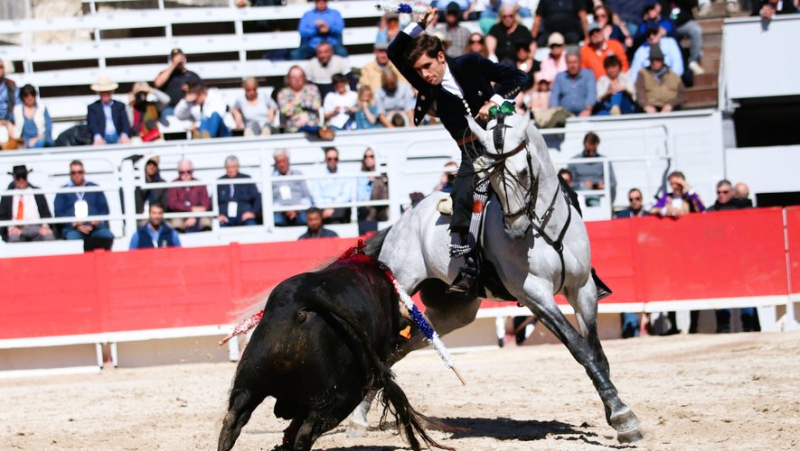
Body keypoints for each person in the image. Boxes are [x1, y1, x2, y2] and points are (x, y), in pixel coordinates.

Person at [388, 7, 527, 294]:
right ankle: (469, 268)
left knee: (546, 178)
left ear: (441, 57)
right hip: (473, 154)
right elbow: (394, 51)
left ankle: (579, 262)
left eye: (428, 67)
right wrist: (416, 24)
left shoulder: (470, 63)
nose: (424, 75)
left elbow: (517, 77)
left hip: (503, 142)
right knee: (463, 198)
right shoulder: (426, 85)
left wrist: (496, 101)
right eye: (419, 71)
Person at [54, 160, 114, 241]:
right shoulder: (63, 191)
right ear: (70, 174)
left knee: (107, 236)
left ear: (84, 173)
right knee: (73, 239)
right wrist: (74, 224)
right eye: (74, 172)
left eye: (80, 172)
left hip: (95, 227)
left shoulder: (94, 187)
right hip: (73, 229)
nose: (77, 175)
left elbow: (104, 209)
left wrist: (97, 221)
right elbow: (59, 213)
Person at [0, 165, 54, 242]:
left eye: (23, 176)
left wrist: (45, 226)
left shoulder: (37, 192)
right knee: (13, 239)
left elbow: (46, 212)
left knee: (48, 236)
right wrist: (11, 227)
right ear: (14, 178)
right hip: (16, 228)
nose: (21, 180)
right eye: (18, 177)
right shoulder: (7, 195)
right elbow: (2, 216)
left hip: (36, 227)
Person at [567, 132, 616, 206]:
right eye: (588, 150)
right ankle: (598, 211)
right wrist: (582, 184)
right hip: (580, 194)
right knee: (585, 190)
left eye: (593, 150)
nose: (591, 153)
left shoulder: (604, 161)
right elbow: (569, 184)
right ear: (584, 144)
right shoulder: (574, 161)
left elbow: (613, 182)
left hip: (600, 194)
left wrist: (604, 185)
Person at [635, 45, 686, 113]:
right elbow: (640, 92)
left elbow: (683, 96)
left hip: (671, 109)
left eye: (658, 59)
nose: (655, 62)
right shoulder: (643, 74)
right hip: (650, 109)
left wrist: (671, 105)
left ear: (662, 60)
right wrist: (646, 105)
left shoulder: (673, 76)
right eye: (652, 60)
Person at [166, 159, 212, 233]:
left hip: (198, 215)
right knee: (176, 223)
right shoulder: (173, 185)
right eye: (182, 172)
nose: (186, 174)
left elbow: (206, 203)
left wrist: (194, 216)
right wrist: (191, 209)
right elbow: (172, 204)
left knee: (206, 222)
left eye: (189, 172)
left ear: (192, 171)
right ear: (178, 172)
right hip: (179, 215)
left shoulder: (199, 184)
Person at [310, 147, 354, 224]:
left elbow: (346, 195)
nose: (332, 161)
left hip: (339, 206)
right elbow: (316, 195)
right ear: (325, 159)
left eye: (335, 159)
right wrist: (326, 207)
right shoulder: (318, 174)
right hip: (322, 207)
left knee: (340, 212)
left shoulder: (345, 173)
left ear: (338, 159)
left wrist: (333, 207)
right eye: (329, 159)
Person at [153, 48, 201, 115]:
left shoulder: (192, 75)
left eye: (180, 57)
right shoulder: (166, 74)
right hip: (170, 108)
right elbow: (157, 83)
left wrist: (190, 89)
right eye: (175, 58)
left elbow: (200, 92)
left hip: (188, 108)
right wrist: (174, 64)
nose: (178, 60)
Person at [272, 148, 312, 227]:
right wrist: (284, 210)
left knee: (305, 219)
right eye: (279, 162)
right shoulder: (272, 178)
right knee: (276, 220)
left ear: (288, 161)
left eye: (283, 161)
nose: (281, 164)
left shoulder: (298, 174)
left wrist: (296, 209)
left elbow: (306, 196)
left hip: (299, 211)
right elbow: (271, 201)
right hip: (280, 212)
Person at [277, 66, 323, 134]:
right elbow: (286, 111)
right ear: (288, 79)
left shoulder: (312, 89)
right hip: (292, 129)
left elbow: (316, 105)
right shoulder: (283, 93)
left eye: (300, 76)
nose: (297, 79)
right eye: (294, 77)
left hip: (312, 127)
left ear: (304, 77)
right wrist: (306, 103)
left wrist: (296, 103)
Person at [218, 155, 261, 227]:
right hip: (225, 218)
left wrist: (253, 213)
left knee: (252, 226)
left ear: (238, 167)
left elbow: (258, 197)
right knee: (219, 227)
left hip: (244, 217)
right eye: (228, 167)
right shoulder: (220, 182)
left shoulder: (246, 179)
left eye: (233, 167)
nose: (230, 170)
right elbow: (212, 201)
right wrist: (218, 215)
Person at [550, 51, 596, 117]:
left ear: (580, 62)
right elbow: (554, 97)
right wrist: (555, 111)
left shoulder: (588, 74)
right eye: (570, 63)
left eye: (575, 62)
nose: (573, 65)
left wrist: (587, 110)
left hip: (584, 113)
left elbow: (591, 94)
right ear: (566, 63)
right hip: (564, 114)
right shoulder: (560, 77)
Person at [87, 75, 131, 145]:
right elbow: (92, 124)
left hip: (118, 136)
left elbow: (125, 123)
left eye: (107, 92)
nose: (105, 94)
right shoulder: (93, 107)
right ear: (99, 93)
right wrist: (98, 137)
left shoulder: (119, 106)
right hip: (102, 137)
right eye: (103, 92)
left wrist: (124, 135)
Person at [667, 0, 705, 76]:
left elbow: (693, 3)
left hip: (684, 23)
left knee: (696, 30)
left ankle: (694, 61)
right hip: (667, 25)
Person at [12, 84, 53, 149]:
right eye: (26, 95)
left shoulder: (42, 108)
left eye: (32, 94)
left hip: (40, 139)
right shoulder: (17, 110)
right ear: (22, 97)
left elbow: (48, 128)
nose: (30, 97)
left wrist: (37, 139)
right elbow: (10, 122)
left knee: (41, 142)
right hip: (24, 142)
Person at [356, 148, 389, 222]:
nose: (368, 159)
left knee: (378, 183)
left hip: (381, 208)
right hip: (367, 208)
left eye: (371, 156)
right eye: (366, 156)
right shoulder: (361, 176)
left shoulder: (383, 175)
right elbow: (361, 196)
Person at [0, 59, 18, 150]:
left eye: (1, 67)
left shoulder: (11, 84)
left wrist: (8, 121)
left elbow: (18, 106)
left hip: (9, 121)